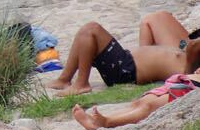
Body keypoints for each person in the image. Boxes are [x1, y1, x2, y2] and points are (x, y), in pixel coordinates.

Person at [49, 20, 200, 96]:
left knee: (90, 29)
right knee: (86, 34)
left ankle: (81, 83)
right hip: (127, 62)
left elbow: (191, 52)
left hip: (127, 70)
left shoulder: (192, 65)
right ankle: (64, 79)